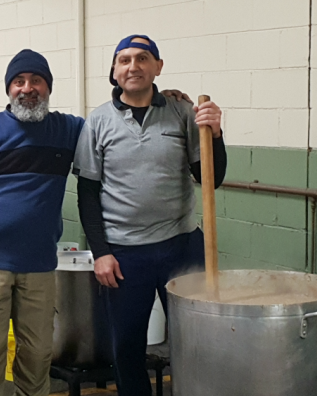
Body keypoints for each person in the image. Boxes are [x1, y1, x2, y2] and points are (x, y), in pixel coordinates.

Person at [0, 48, 193, 396]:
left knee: (37, 356)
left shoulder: (69, 130)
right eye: (19, 82)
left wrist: (160, 100)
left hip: (39, 267)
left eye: (36, 81)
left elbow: (114, 120)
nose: (27, 88)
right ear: (9, 89)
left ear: (48, 88)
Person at [73, 34, 227, 396]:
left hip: (182, 247)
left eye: (143, 58)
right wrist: (101, 252)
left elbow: (211, 178)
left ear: (158, 67)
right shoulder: (97, 122)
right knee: (126, 347)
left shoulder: (182, 113)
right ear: (114, 71)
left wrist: (216, 134)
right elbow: (87, 193)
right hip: (124, 253)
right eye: (124, 59)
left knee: (196, 339)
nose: (133, 66)